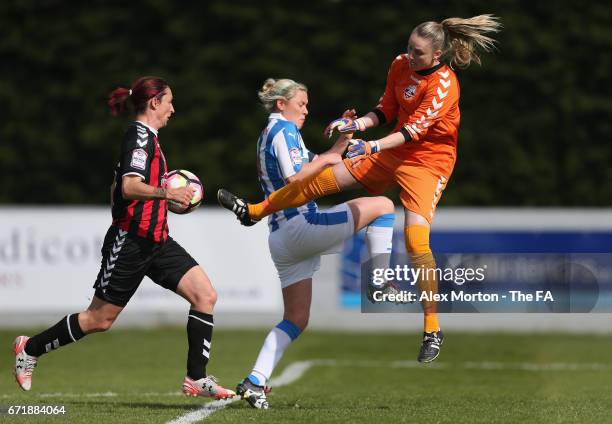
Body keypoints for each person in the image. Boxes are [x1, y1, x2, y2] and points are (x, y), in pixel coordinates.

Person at [218, 15, 501, 363]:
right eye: (410, 48)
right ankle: (256, 210)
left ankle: (432, 328)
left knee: (416, 241)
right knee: (319, 180)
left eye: (418, 53)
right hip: (392, 150)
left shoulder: (445, 84)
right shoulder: (400, 64)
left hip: (428, 162)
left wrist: (371, 147)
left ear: (438, 55)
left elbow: (413, 132)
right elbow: (384, 111)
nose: (410, 56)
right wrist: (355, 125)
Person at [13, 76, 235, 399]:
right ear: (155, 102)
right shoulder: (139, 137)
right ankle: (29, 349)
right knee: (99, 319)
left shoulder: (149, 139)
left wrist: (149, 201)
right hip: (131, 242)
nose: (174, 108)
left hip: (157, 240)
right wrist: (167, 194)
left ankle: (196, 378)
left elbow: (117, 187)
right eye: (170, 101)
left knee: (205, 295)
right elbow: (130, 186)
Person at [223, 78, 396, 409]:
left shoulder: (270, 133)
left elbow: (317, 164)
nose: (306, 109)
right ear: (281, 104)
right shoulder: (284, 130)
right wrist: (333, 160)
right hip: (301, 224)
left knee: (297, 318)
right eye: (301, 103)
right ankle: (378, 280)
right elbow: (298, 178)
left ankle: (254, 381)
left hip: (280, 238)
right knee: (384, 207)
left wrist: (342, 143)